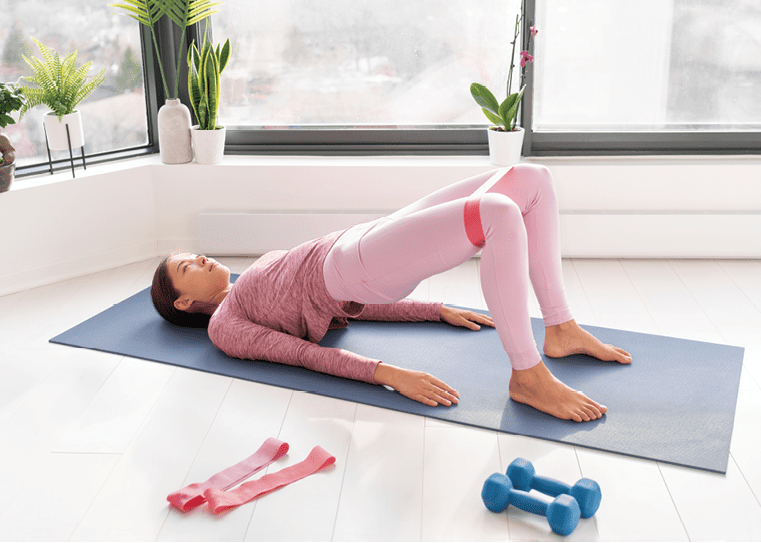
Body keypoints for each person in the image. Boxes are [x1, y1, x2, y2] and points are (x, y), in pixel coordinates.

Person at [151, 164, 631, 422]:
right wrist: (387, 373)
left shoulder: (256, 271)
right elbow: (302, 355)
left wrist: (431, 310)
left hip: (360, 240)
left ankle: (560, 327)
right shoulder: (225, 326)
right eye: (185, 266)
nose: (200, 258)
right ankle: (527, 375)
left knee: (532, 178)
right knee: (498, 212)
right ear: (182, 302)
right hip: (350, 265)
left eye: (194, 253)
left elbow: (347, 311)